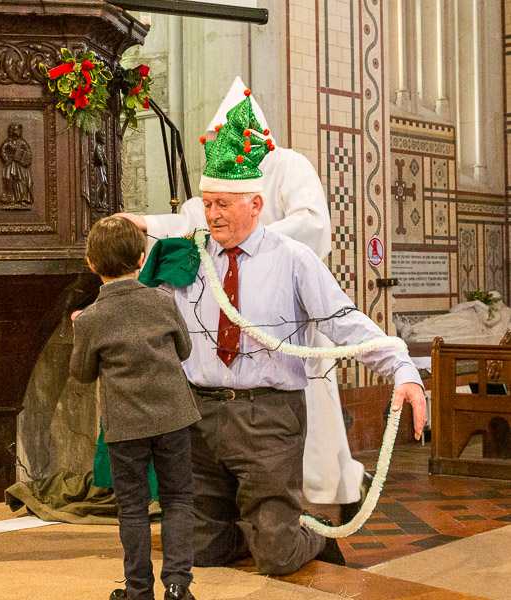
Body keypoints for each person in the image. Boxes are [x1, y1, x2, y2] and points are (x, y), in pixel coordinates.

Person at [123, 90, 426, 575]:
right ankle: (258, 527)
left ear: (255, 204)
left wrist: (402, 368)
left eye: (223, 204)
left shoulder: (291, 260)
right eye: (207, 203)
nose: (212, 214)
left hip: (266, 417)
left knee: (278, 558)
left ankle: (298, 536)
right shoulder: (188, 255)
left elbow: (344, 320)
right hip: (199, 415)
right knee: (201, 553)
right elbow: (148, 303)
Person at [69, 216, 200, 600]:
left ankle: (138, 590)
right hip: (174, 417)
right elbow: (185, 350)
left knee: (132, 508)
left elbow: (81, 373)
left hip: (125, 426)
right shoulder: (162, 300)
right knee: (177, 498)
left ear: (91, 263)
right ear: (142, 259)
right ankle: (177, 584)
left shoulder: (91, 318)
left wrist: (81, 333)